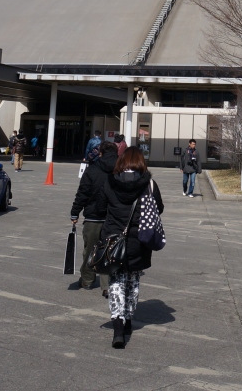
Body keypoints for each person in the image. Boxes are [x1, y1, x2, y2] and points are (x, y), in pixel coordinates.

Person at [97, 146, 163, 348]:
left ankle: (118, 326)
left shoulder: (110, 181)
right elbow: (159, 208)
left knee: (116, 280)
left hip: (113, 240)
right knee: (133, 280)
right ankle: (128, 319)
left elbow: (100, 208)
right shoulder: (149, 184)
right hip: (139, 241)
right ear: (141, 162)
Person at [70, 140, 117, 294]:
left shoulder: (92, 170)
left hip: (93, 217)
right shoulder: (121, 170)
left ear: (101, 153)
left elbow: (83, 193)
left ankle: (87, 280)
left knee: (90, 250)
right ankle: (107, 285)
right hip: (114, 218)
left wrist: (75, 212)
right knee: (110, 251)